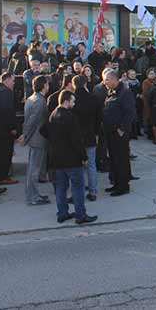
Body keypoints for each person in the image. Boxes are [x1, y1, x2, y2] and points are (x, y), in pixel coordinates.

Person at [47, 90, 97, 225]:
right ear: (66, 101)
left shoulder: (53, 115)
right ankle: (80, 215)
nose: (74, 104)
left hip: (57, 159)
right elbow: (76, 140)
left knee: (61, 188)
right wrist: (84, 157)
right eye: (73, 101)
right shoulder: (70, 117)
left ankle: (62, 213)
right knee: (78, 187)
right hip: (72, 159)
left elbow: (44, 131)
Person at [102, 69, 136, 196]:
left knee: (121, 159)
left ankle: (123, 186)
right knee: (114, 159)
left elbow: (129, 112)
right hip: (110, 131)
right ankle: (116, 183)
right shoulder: (111, 92)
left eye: (107, 80)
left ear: (114, 79)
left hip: (119, 132)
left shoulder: (125, 93)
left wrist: (122, 128)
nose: (105, 82)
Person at [0, 73, 21, 185]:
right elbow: (7, 111)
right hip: (4, 130)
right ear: (7, 80)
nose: (14, 83)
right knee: (5, 154)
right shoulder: (5, 92)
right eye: (13, 80)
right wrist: (12, 127)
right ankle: (3, 177)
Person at [71, 75, 101, 201]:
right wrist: (97, 133)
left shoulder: (72, 99)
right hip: (90, 135)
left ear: (74, 85)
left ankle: (78, 193)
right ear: (85, 84)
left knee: (77, 166)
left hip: (75, 137)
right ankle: (93, 191)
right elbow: (98, 118)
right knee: (91, 165)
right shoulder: (93, 98)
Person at [23, 75, 51, 205]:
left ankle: (34, 194)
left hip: (35, 138)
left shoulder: (32, 98)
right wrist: (25, 136)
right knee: (34, 169)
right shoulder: (40, 101)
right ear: (44, 85)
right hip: (37, 139)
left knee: (33, 168)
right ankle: (32, 197)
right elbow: (32, 122)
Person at [140, 68, 156, 140]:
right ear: (147, 75)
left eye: (153, 74)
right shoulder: (145, 82)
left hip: (155, 102)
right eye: (151, 74)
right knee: (148, 117)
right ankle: (149, 133)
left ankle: (155, 133)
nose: (152, 75)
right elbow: (146, 92)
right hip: (148, 102)